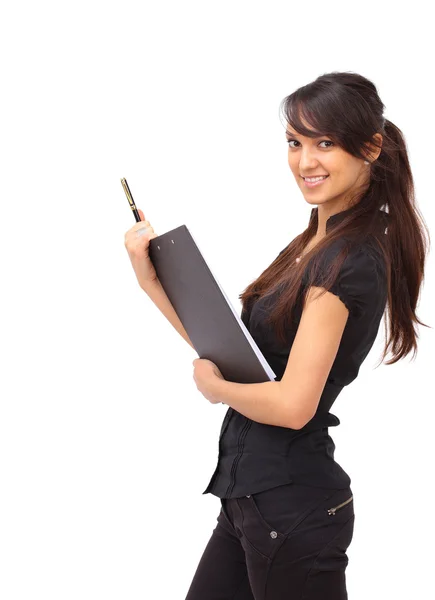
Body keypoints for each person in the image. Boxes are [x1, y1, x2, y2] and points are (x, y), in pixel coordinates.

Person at [124, 71, 430, 600]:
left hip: (294, 512)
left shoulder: (349, 260)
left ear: (371, 147)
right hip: (253, 503)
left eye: (325, 143)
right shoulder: (314, 238)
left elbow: (292, 406)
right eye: (295, 142)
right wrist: (152, 281)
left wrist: (213, 389)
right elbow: (241, 355)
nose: (305, 161)